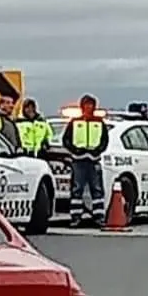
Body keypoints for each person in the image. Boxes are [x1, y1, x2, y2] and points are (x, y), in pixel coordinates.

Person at [62, 94, 109, 227]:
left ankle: (98, 217)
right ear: (82, 107)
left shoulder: (99, 122)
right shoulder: (74, 122)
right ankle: (76, 217)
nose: (89, 107)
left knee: (97, 189)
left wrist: (97, 151)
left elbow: (105, 140)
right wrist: (75, 150)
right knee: (77, 189)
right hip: (78, 160)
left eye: (91, 105)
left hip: (94, 160)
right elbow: (66, 139)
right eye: (86, 105)